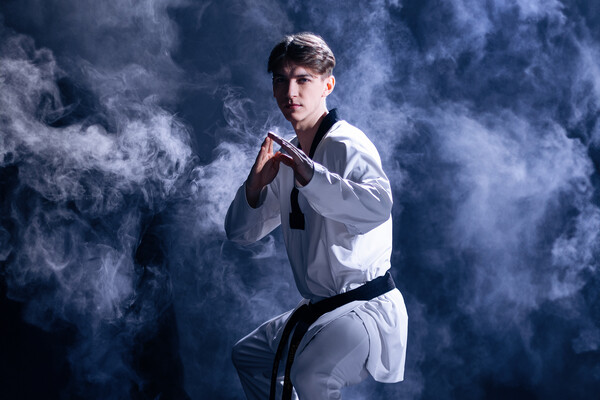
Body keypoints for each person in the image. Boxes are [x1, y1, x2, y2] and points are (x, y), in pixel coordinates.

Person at [225, 32, 408, 400]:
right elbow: (240, 233)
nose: (290, 91)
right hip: (318, 309)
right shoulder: (288, 157)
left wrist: (313, 177)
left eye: (303, 79)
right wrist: (254, 187)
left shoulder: (346, 143)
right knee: (249, 356)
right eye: (280, 80)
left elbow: (378, 206)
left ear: (327, 85)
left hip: (363, 308)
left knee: (311, 374)